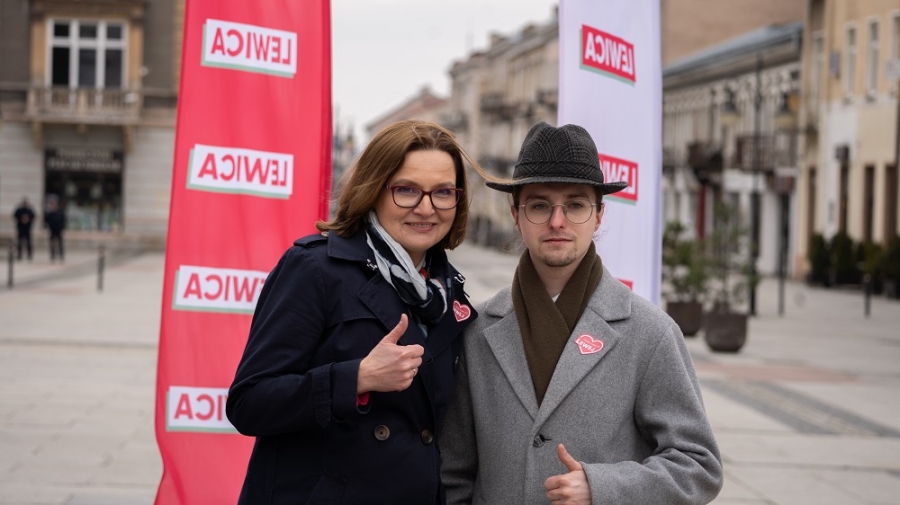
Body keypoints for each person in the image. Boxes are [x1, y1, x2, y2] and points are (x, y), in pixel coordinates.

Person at [439, 122, 723, 505]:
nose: (557, 221)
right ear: (515, 215)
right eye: (539, 205)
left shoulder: (650, 333)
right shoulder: (475, 331)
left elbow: (698, 466)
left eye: (575, 205)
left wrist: (604, 488)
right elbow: (452, 473)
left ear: (599, 215)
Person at [227, 120, 491, 504]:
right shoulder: (315, 269)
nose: (426, 208)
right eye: (406, 190)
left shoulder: (450, 294)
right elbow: (249, 403)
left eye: (443, 192)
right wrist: (357, 378)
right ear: (373, 189)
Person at [44, 196, 66, 262]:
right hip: (52, 230)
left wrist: (62, 227)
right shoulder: (50, 213)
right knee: (52, 243)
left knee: (59, 243)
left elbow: (63, 220)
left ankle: (61, 255)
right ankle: (52, 255)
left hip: (58, 230)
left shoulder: (60, 212)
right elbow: (47, 220)